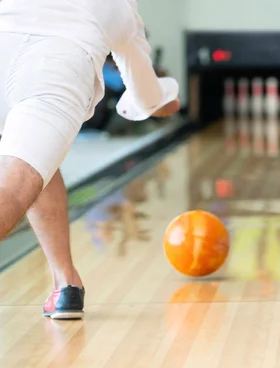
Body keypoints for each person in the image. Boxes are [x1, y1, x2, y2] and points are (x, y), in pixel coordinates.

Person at [0, 0, 181, 319]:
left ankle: (65, 282)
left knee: (40, 160)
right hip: (55, 71)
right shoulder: (118, 6)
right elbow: (147, 98)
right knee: (17, 185)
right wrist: (167, 100)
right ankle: (65, 281)